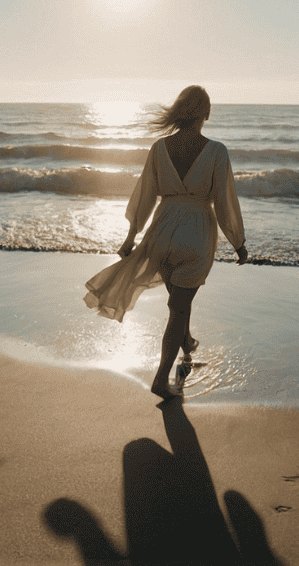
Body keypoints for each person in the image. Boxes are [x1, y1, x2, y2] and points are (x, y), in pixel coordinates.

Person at [83, 86, 248, 400]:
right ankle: (161, 380)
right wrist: (238, 242)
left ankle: (186, 342)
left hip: (162, 230)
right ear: (206, 113)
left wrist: (131, 237)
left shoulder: (160, 148)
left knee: (179, 304)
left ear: (179, 112)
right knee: (179, 307)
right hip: (197, 234)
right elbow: (225, 203)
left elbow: (145, 196)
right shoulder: (216, 151)